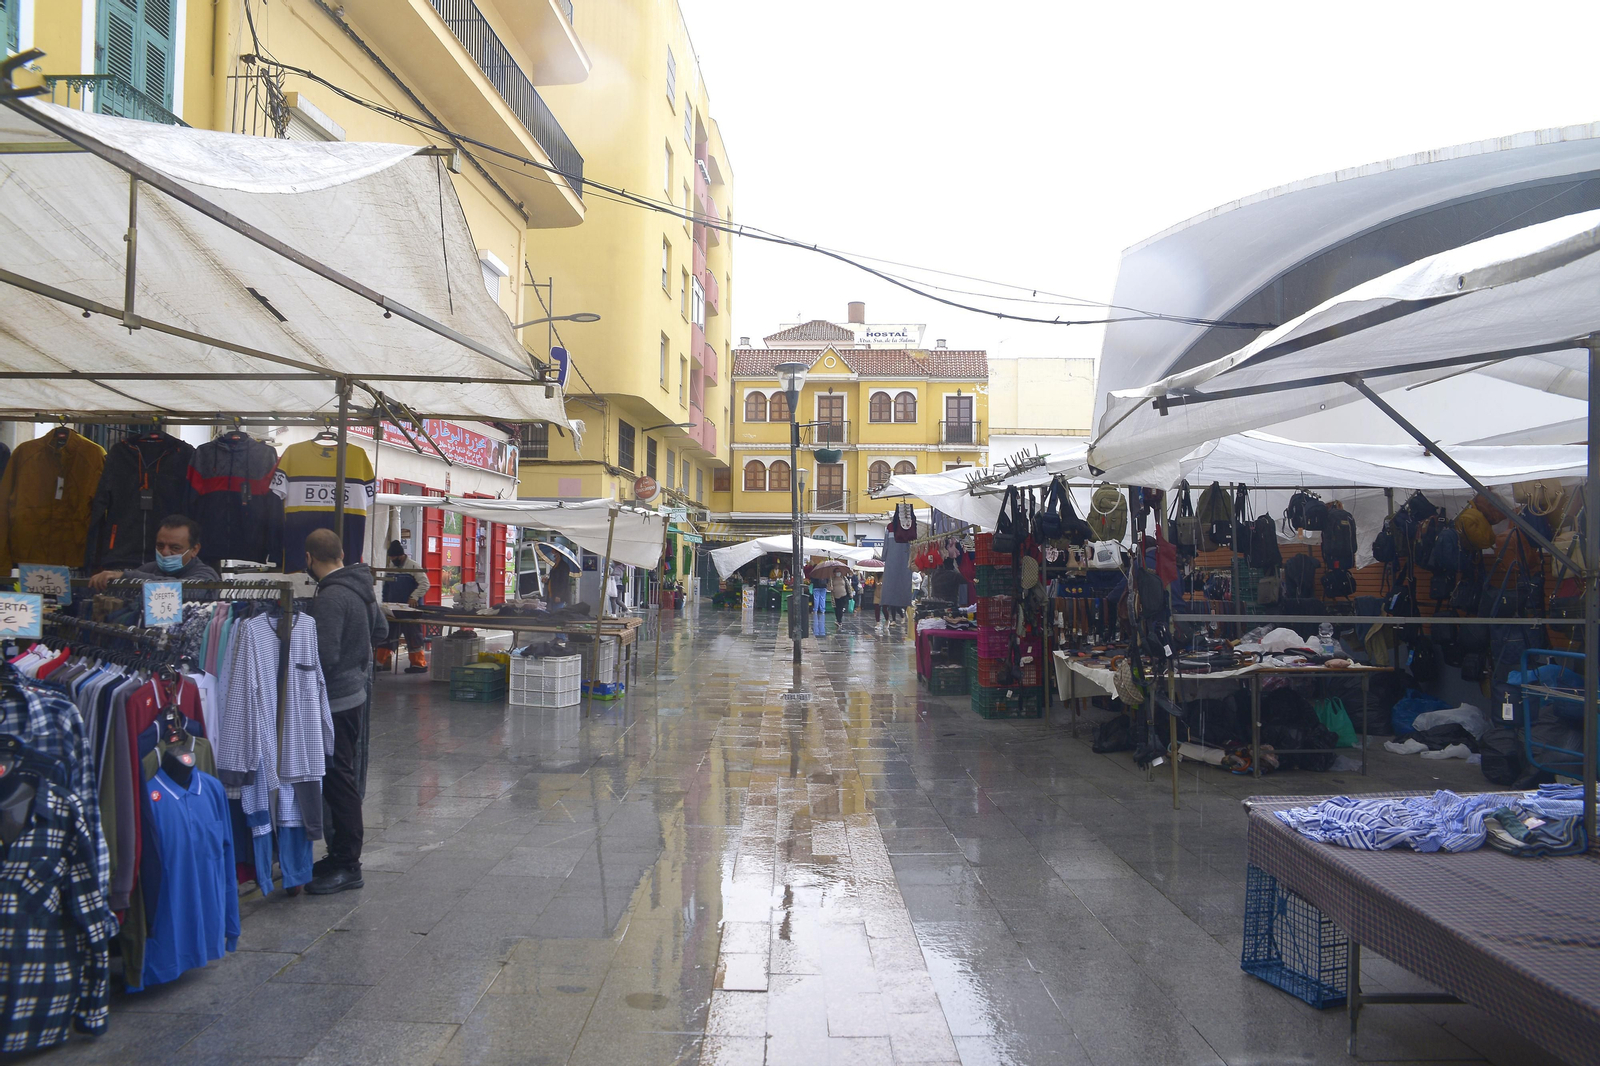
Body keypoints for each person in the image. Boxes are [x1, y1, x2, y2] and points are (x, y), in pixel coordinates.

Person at [303, 528, 387, 895]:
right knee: (342, 775)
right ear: (340, 554)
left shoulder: (331, 596)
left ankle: (347, 863)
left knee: (338, 779)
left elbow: (324, 655)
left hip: (335, 699)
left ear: (309, 558)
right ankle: (339, 855)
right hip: (355, 692)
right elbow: (381, 630)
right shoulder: (361, 587)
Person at [88, 514, 219, 589]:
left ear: (194, 550)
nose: (165, 552)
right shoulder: (147, 569)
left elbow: (180, 589)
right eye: (160, 545)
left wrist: (125, 576)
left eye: (175, 548)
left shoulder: (206, 575)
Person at [377, 540, 430, 674]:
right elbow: (386, 587)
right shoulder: (391, 567)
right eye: (391, 557)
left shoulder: (413, 567)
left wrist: (414, 597)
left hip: (410, 610)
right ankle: (379, 662)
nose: (392, 560)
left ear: (401, 556)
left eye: (394, 557)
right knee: (386, 635)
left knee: (413, 636)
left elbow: (425, 584)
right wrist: (385, 603)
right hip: (393, 609)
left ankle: (419, 664)